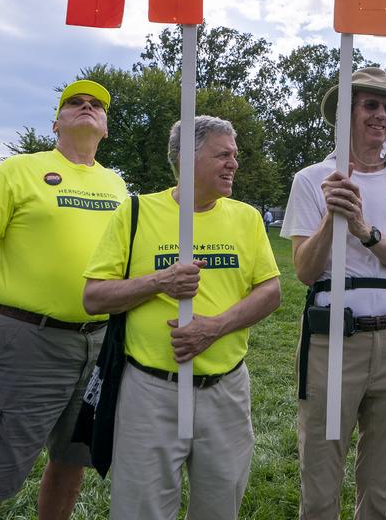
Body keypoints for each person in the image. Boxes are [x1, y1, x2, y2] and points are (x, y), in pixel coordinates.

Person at [0, 80, 127, 520]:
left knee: (72, 460)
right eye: (74, 102)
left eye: (96, 105)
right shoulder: (18, 170)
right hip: (26, 341)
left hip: (99, 343)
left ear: (105, 128)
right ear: (56, 122)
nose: (87, 106)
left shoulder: (117, 185)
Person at [83, 116, 280, 520]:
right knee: (141, 510)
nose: (234, 164)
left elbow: (271, 291)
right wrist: (160, 281)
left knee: (220, 506)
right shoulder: (135, 213)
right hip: (150, 392)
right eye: (223, 154)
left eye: (235, 155)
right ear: (184, 158)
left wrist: (215, 328)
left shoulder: (246, 218)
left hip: (225, 390)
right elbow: (94, 297)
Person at [281, 67, 386, 520]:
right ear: (347, 112)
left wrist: (364, 230)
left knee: (385, 478)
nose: (382, 115)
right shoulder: (312, 179)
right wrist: (333, 218)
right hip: (333, 339)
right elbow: (305, 271)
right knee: (322, 473)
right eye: (371, 104)